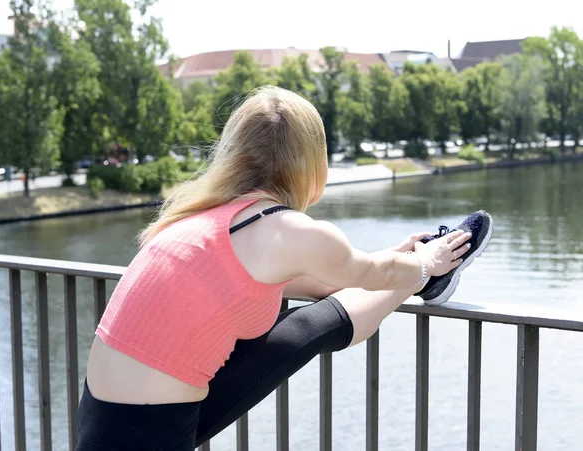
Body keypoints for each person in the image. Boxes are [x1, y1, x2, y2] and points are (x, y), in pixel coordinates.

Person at [76, 86, 492, 450]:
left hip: (101, 414)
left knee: (298, 325)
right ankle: (431, 280)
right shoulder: (287, 230)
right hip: (149, 431)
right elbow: (366, 275)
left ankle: (425, 280)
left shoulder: (202, 220)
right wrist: (424, 262)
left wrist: (397, 260)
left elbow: (325, 280)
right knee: (305, 329)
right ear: (313, 161)